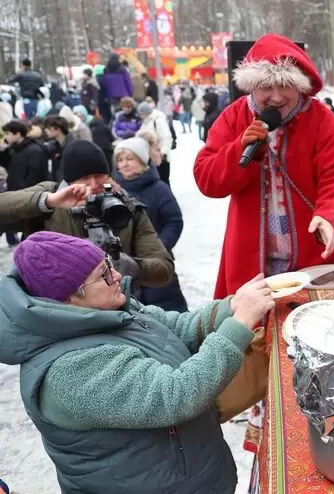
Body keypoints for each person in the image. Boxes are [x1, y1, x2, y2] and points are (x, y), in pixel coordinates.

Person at [0, 231, 275, 493]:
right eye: (103, 274)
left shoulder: (109, 308)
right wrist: (239, 324)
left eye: (109, 262)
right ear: (70, 297)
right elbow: (175, 394)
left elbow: (176, 328)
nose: (117, 274)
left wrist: (231, 307)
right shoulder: (68, 370)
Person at [194, 33, 334, 298]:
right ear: (250, 86)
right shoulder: (234, 117)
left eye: (285, 85)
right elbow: (206, 178)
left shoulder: (322, 121)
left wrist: (330, 215)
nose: (276, 96)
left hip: (313, 261)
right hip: (251, 266)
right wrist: (239, 149)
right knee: (256, 337)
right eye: (265, 87)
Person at [0, 140, 174, 290]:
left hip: (111, 306)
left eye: (99, 176)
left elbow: (164, 268)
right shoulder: (51, 196)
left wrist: (129, 266)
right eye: (84, 178)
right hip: (51, 306)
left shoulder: (126, 208)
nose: (93, 184)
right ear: (69, 180)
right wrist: (49, 201)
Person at [113, 136, 188, 312]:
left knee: (167, 310)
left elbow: (174, 221)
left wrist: (157, 248)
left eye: (130, 159)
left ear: (142, 160)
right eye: (120, 160)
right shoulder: (115, 190)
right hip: (125, 266)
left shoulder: (159, 188)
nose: (124, 164)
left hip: (156, 264)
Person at [1, 120, 48, 246]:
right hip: (16, 195)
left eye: (8, 133)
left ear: (18, 134)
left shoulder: (35, 150)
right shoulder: (13, 150)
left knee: (31, 233)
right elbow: (6, 165)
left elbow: (36, 175)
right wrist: (3, 150)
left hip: (29, 196)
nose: (6, 136)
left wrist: (24, 190)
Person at [136, 101, 174, 185]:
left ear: (145, 112)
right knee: (157, 182)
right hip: (152, 156)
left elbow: (166, 138)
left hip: (161, 156)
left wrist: (163, 153)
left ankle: (166, 197)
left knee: (163, 181)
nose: (139, 116)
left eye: (140, 114)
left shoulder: (158, 120)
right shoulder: (146, 120)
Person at [40, 115, 72, 183]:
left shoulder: (73, 146)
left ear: (58, 129)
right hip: (58, 185)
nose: (45, 130)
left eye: (48, 128)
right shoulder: (53, 145)